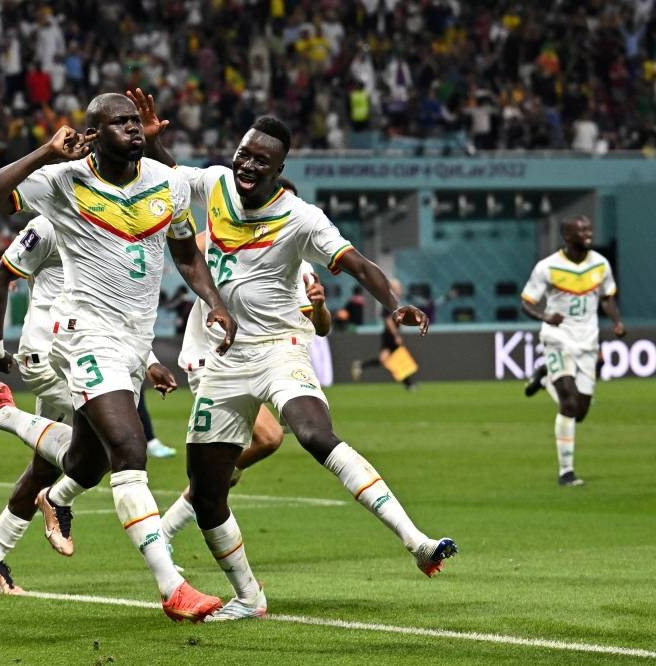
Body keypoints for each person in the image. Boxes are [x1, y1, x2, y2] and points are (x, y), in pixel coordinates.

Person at [130, 88, 457, 620]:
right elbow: (169, 174)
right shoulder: (215, 182)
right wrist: (150, 144)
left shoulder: (303, 217)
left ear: (280, 169)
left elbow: (356, 262)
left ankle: (416, 541)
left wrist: (393, 304)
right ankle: (249, 597)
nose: (247, 164)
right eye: (244, 153)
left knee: (313, 434)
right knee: (209, 495)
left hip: (279, 349)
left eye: (261, 159)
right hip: (223, 357)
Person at [0, 92, 236, 622]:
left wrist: (215, 302)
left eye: (136, 121)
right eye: (120, 122)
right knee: (131, 448)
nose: (133, 128)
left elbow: (184, 251)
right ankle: (172, 587)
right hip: (83, 335)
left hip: (133, 341)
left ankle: (5, 415)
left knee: (88, 460)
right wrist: (43, 152)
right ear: (93, 133)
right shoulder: (63, 180)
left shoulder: (167, 182)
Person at [0, 215, 178, 593]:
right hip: (50, 355)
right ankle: (3, 414)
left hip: (89, 352)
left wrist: (151, 359)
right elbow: (0, 276)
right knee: (115, 448)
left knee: (45, 470)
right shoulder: (47, 225)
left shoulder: (112, 225)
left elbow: (110, 312)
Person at [161, 258, 330, 544]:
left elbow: (321, 327)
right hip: (215, 359)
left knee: (237, 461)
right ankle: (164, 532)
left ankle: (174, 522)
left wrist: (319, 306)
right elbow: (194, 245)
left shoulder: (300, 265)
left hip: (254, 361)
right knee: (268, 438)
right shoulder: (234, 237)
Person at [519, 216, 625, 486]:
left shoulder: (600, 264)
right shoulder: (548, 267)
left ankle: (544, 379)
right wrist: (545, 316)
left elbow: (606, 297)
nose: (588, 234)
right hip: (558, 338)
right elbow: (526, 302)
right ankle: (566, 472)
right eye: (582, 231)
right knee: (568, 403)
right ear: (567, 236)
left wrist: (616, 321)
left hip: (587, 341)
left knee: (580, 411)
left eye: (589, 229)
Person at [350, 279, 419, 390]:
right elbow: (388, 320)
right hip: (389, 335)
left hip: (389, 334)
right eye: (397, 288)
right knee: (399, 358)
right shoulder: (389, 301)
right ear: (393, 289)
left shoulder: (395, 301)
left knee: (386, 359)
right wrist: (396, 335)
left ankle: (361, 366)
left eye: (399, 287)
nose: (400, 290)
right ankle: (409, 385)